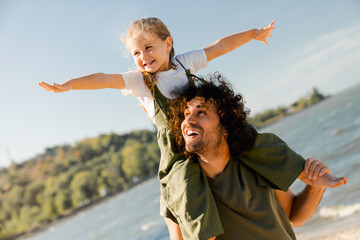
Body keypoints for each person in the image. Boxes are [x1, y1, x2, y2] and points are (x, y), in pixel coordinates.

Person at [38, 17, 332, 239]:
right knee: (183, 184)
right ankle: (205, 233)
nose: (143, 58)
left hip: (213, 144)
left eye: (148, 48)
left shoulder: (183, 63)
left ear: (168, 43)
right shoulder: (141, 82)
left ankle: (308, 173)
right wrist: (70, 85)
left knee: (259, 144)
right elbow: (104, 78)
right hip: (175, 152)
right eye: (136, 54)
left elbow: (219, 47)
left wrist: (253, 34)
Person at [167, 73, 348, 239]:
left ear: (226, 127)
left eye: (201, 112)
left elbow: (294, 216)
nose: (188, 121)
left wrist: (315, 187)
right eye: (185, 114)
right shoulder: (183, 188)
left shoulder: (254, 162)